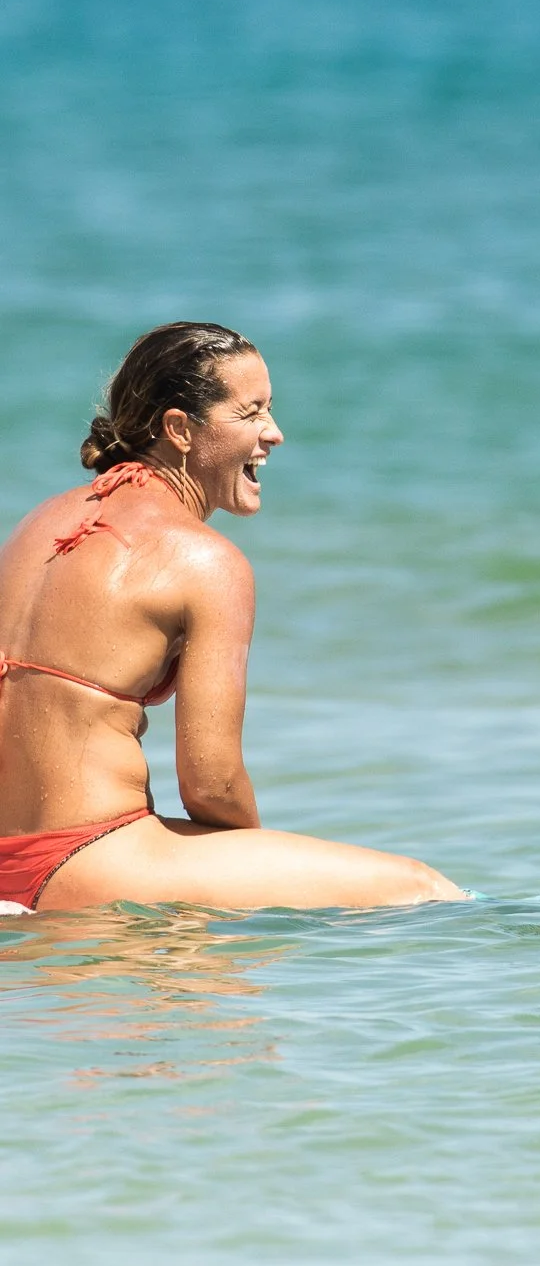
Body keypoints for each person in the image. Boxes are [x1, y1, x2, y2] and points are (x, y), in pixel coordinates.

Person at [0, 322, 464, 912]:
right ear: (179, 429)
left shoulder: (37, 525)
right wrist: (259, 869)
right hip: (87, 858)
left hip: (10, 856)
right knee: (419, 889)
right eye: (250, 413)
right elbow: (211, 782)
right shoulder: (205, 561)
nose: (275, 433)